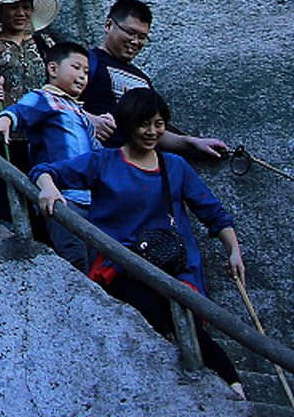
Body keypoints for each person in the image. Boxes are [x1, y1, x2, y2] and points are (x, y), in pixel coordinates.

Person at [35, 88, 247, 397]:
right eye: (143, 124)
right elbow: (45, 170)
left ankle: (236, 394)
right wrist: (48, 188)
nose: (152, 132)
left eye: (159, 124)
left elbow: (213, 213)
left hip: (173, 268)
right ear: (126, 125)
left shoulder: (175, 166)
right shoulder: (104, 161)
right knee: (153, 316)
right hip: (122, 267)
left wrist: (234, 252)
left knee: (194, 330)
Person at [0, 40, 99, 268]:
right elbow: (20, 110)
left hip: (91, 198)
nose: (83, 76)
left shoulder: (79, 110)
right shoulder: (46, 98)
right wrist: (2, 122)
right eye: (76, 68)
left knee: (96, 261)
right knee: (75, 257)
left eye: (86, 71)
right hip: (61, 193)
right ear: (53, 69)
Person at [81, 0, 229, 158]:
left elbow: (156, 133)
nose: (135, 41)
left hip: (142, 170)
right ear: (109, 25)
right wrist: (87, 121)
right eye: (130, 33)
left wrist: (191, 142)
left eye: (142, 37)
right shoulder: (85, 62)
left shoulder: (143, 79)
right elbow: (53, 101)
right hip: (101, 163)